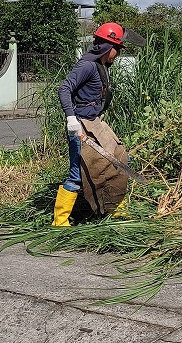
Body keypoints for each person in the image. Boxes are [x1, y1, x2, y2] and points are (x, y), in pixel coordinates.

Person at [53, 22, 139, 226]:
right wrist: (71, 119)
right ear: (108, 47)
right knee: (77, 173)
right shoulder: (87, 65)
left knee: (118, 160)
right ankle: (60, 221)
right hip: (81, 125)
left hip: (95, 123)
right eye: (117, 49)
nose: (118, 54)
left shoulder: (101, 66)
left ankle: (114, 208)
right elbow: (64, 89)